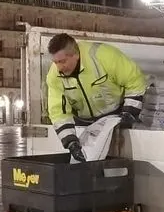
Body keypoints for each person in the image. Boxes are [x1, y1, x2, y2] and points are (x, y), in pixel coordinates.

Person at [46, 33, 147, 163]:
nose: (59, 67)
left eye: (62, 61)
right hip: (84, 126)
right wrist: (70, 141)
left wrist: (130, 113)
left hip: (117, 119)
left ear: (75, 55)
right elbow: (58, 112)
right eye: (55, 62)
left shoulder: (104, 56)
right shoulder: (54, 76)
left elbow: (134, 80)